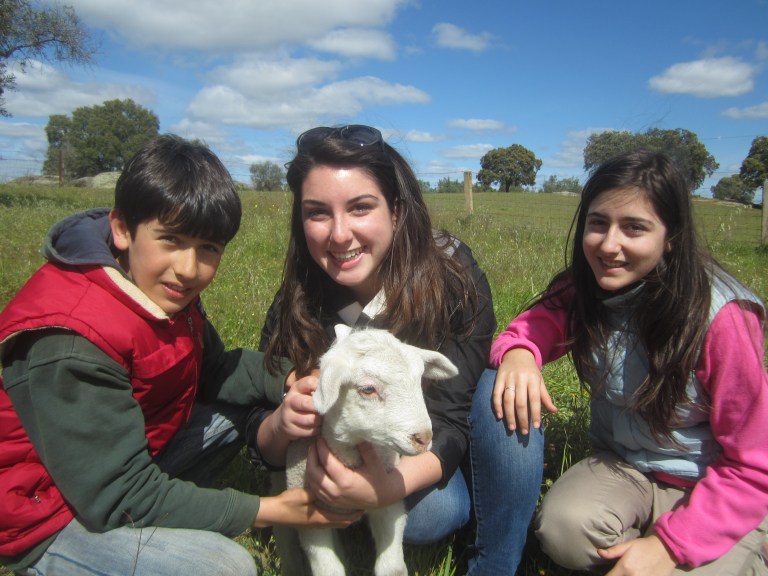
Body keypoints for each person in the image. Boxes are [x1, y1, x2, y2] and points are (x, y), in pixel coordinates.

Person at [0, 135, 359, 576]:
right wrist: (272, 509)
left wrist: (293, 379)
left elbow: (215, 370)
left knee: (236, 410)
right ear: (121, 228)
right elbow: (120, 496)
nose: (189, 270)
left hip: (120, 460)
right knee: (226, 567)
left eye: (208, 248)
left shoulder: (154, 288)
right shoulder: (72, 338)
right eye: (170, 239)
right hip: (44, 514)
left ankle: (172, 515)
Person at [247, 125, 540, 573]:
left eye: (361, 207)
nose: (340, 235)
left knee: (495, 393)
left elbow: (449, 416)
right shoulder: (301, 293)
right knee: (425, 516)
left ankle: (497, 556)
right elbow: (262, 408)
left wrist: (383, 491)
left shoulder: (453, 280)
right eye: (317, 213)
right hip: (363, 446)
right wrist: (282, 422)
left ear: (397, 211)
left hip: (429, 438)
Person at [489, 149, 768, 575]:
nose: (609, 245)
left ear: (670, 236)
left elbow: (753, 464)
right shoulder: (586, 288)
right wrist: (519, 353)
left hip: (716, 485)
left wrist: (670, 547)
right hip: (626, 467)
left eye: (634, 228)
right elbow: (535, 325)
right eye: (598, 223)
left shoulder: (723, 319)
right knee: (563, 529)